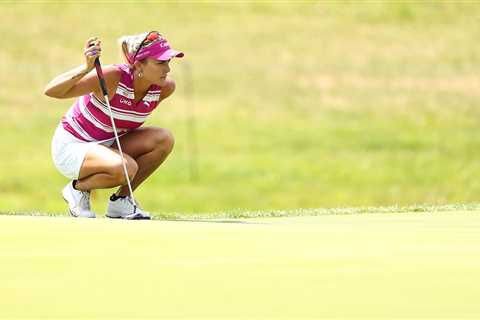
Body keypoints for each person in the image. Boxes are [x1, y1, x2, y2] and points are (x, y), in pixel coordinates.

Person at [44, 31, 184, 219]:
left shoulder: (165, 88)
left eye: (168, 62)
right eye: (160, 63)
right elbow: (52, 91)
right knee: (127, 167)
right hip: (72, 147)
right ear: (139, 64)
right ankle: (76, 189)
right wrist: (86, 68)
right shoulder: (111, 77)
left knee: (163, 139)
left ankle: (120, 202)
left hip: (107, 145)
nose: (167, 69)